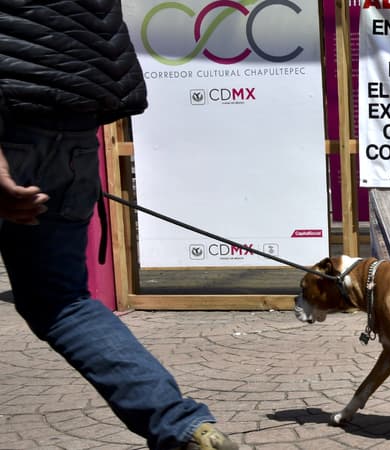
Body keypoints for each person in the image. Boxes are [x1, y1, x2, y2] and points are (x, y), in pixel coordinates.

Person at [0, 2, 238, 450]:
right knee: (63, 301)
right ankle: (185, 428)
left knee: (59, 300)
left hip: (13, 118)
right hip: (72, 126)